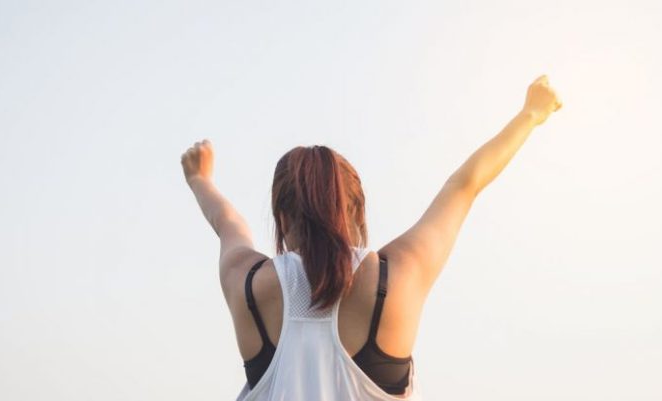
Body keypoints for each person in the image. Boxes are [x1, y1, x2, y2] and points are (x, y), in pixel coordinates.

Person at [180, 74, 563, 400]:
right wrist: (531, 114)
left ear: (281, 216)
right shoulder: (394, 279)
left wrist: (200, 179)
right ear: (356, 210)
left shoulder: (248, 286)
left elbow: (228, 223)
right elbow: (463, 186)